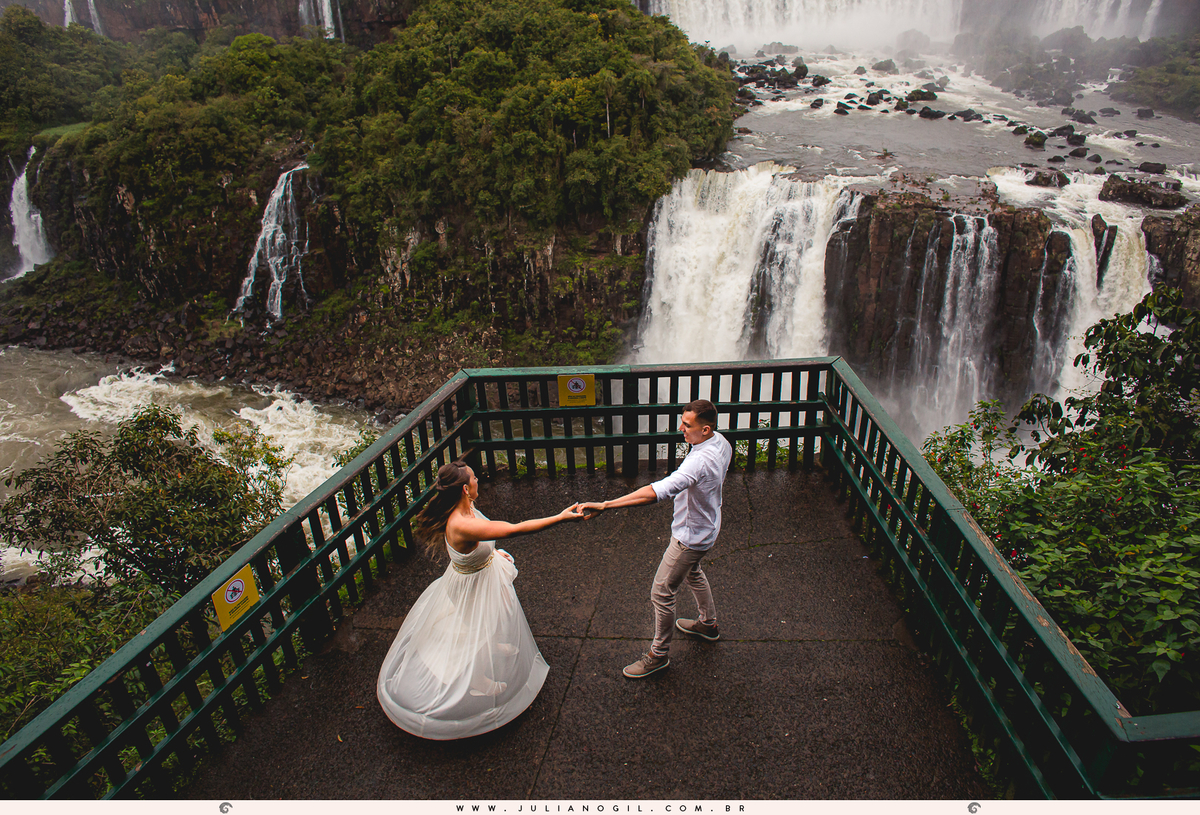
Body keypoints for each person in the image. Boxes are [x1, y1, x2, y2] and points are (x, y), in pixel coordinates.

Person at [377, 460, 584, 739]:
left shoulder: (467, 507)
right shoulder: (461, 523)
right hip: (471, 586)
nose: (479, 481)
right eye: (475, 478)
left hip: (481, 573)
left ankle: (492, 647)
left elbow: (484, 540)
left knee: (493, 621)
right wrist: (560, 517)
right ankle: (478, 680)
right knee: (478, 630)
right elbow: (515, 529)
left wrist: (492, 554)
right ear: (465, 488)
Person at [581, 398, 732, 678]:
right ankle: (708, 624)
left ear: (706, 429)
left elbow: (656, 492)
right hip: (709, 526)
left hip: (690, 537)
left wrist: (605, 505)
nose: (681, 429)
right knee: (693, 572)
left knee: (662, 593)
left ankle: (658, 655)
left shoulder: (698, 462)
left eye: (688, 425)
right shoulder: (721, 442)